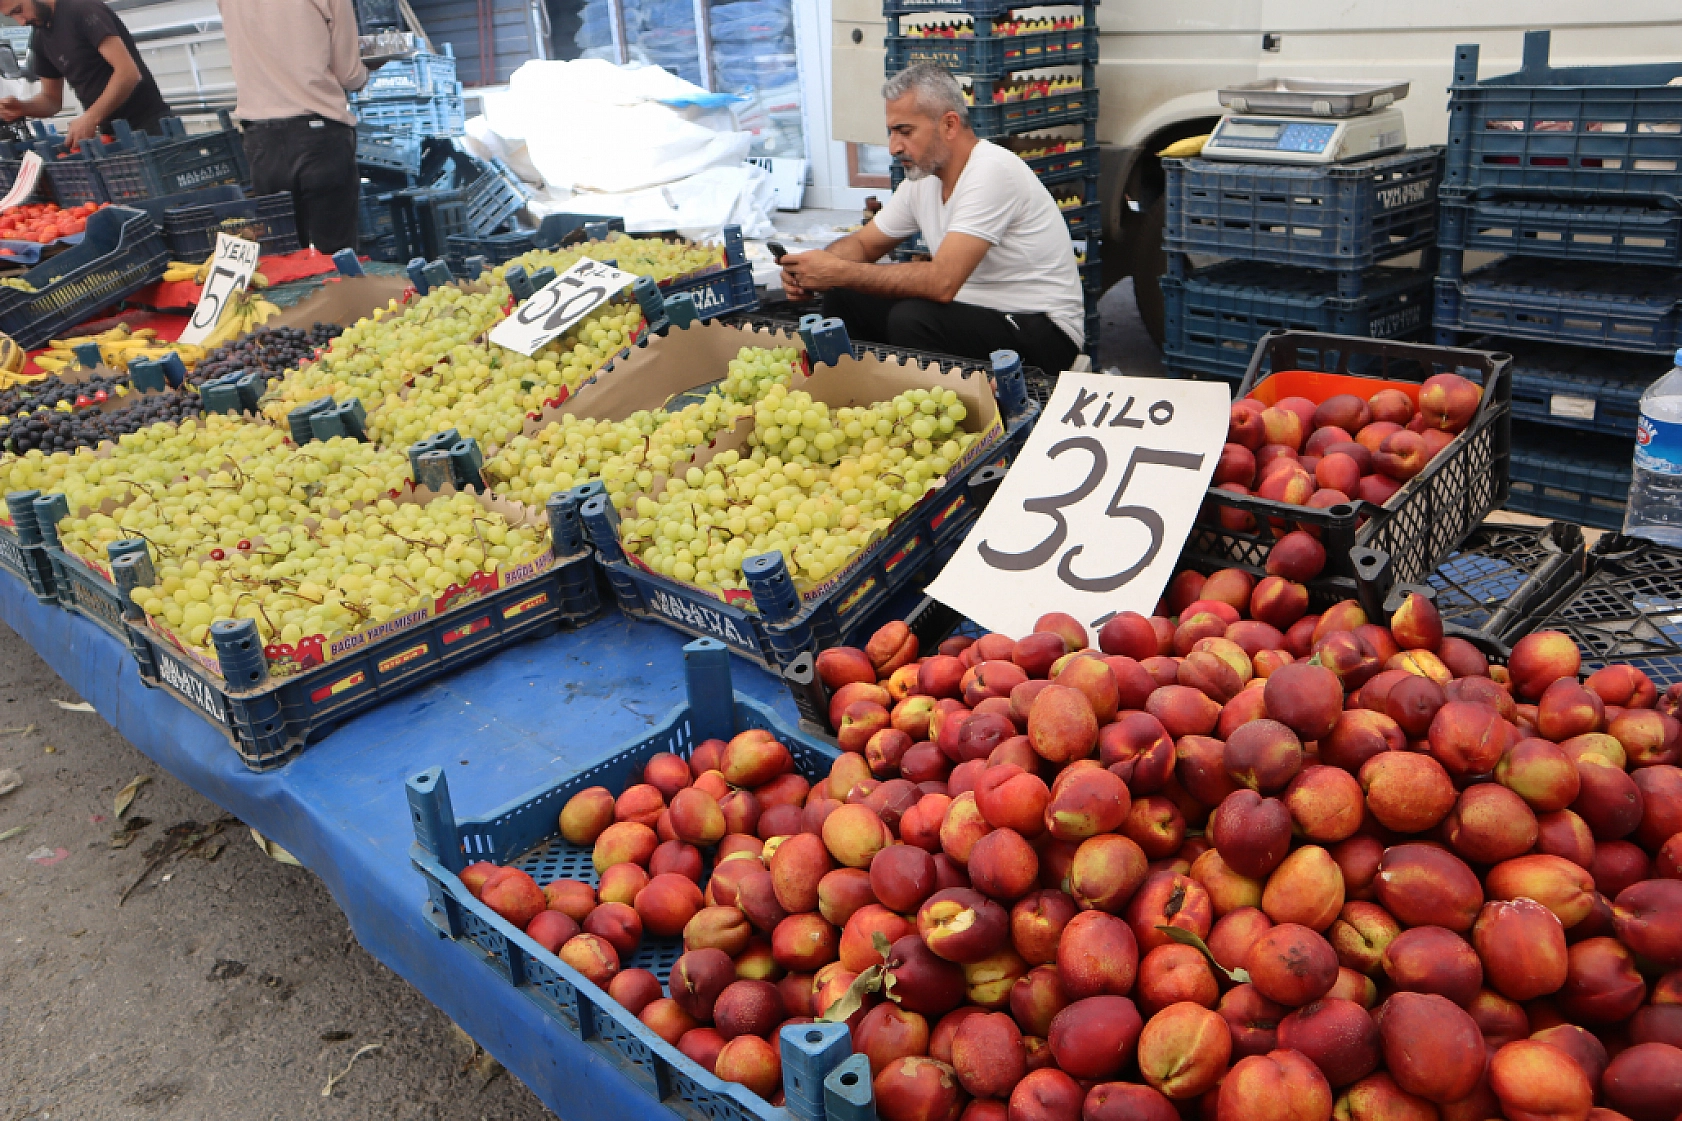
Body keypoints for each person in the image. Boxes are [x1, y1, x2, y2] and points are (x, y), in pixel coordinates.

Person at [779, 63, 1084, 375]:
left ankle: (936, 416)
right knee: (845, 297)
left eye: (905, 132)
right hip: (976, 312)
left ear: (949, 125)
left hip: (1043, 330)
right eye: (891, 132)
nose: (894, 147)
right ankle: (858, 398)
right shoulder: (922, 179)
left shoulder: (992, 171)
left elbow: (942, 282)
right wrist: (814, 268)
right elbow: (863, 244)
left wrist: (840, 271)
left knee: (912, 320)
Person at [219, 0, 370, 254]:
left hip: (261, 140)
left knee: (284, 259)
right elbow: (349, 74)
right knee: (337, 261)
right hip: (320, 136)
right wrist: (366, 71)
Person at [0, 0, 171, 145]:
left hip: (152, 126)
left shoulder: (82, 9)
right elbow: (51, 100)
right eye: (12, 16)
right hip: (110, 134)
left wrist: (91, 117)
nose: (21, 22)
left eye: (19, 10)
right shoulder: (40, 38)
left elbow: (128, 73)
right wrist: (22, 107)